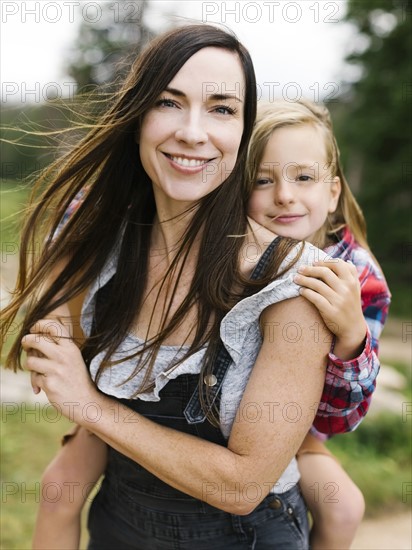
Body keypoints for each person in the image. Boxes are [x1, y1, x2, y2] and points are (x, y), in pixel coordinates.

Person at [0, 25, 373, 550]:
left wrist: (90, 406)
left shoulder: (295, 283)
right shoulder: (103, 244)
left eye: (221, 109)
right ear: (137, 120)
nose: (194, 132)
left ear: (242, 134)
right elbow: (57, 330)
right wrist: (55, 332)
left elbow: (243, 485)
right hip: (117, 525)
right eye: (169, 103)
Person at [246, 99, 391, 549]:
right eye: (263, 180)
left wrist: (351, 337)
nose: (285, 195)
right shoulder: (229, 251)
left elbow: (337, 419)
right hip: (221, 415)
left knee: (344, 506)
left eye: (303, 178)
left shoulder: (357, 275)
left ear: (332, 192)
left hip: (298, 430)